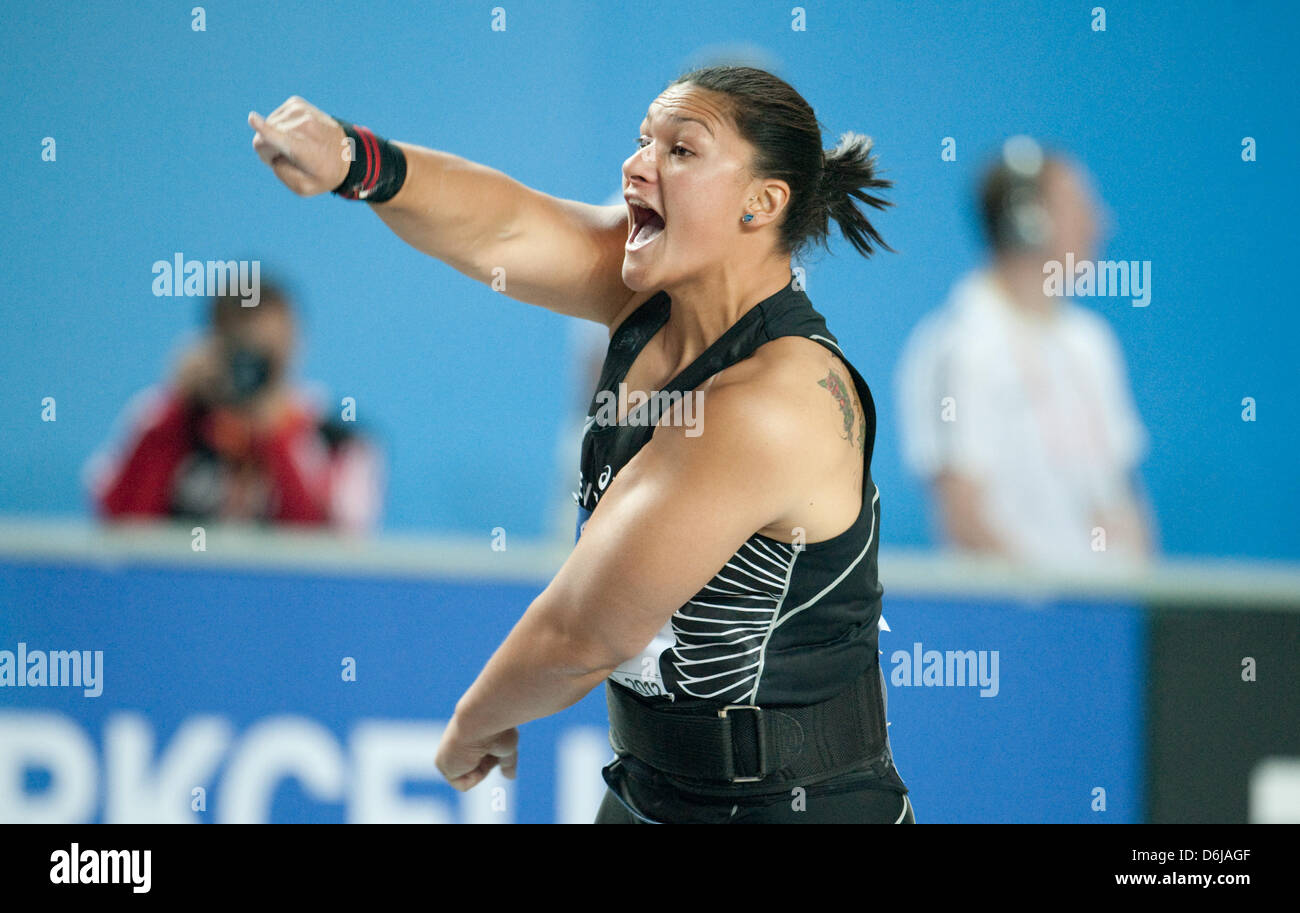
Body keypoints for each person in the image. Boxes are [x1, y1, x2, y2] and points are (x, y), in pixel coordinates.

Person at [247, 65, 913, 823]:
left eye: (681, 151)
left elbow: (585, 630)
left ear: (762, 203)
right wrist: (356, 161)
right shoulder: (649, 297)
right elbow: (507, 226)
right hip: (649, 790)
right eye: (641, 142)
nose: (637, 165)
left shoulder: (772, 402)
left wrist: (475, 720)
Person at [895, 136, 1155, 569]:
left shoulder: (1091, 342)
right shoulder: (959, 347)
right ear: (1027, 222)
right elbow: (964, 518)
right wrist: (1050, 606)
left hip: (1110, 622)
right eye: (1078, 207)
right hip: (1022, 623)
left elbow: (1125, 495)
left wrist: (1132, 595)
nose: (1099, 224)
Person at [87, 281, 384, 533]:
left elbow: (324, 559)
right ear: (211, 343)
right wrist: (179, 407)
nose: (253, 365)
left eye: (269, 349)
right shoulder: (162, 420)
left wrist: (276, 434)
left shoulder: (340, 443)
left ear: (296, 343)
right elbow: (121, 529)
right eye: (240, 345)